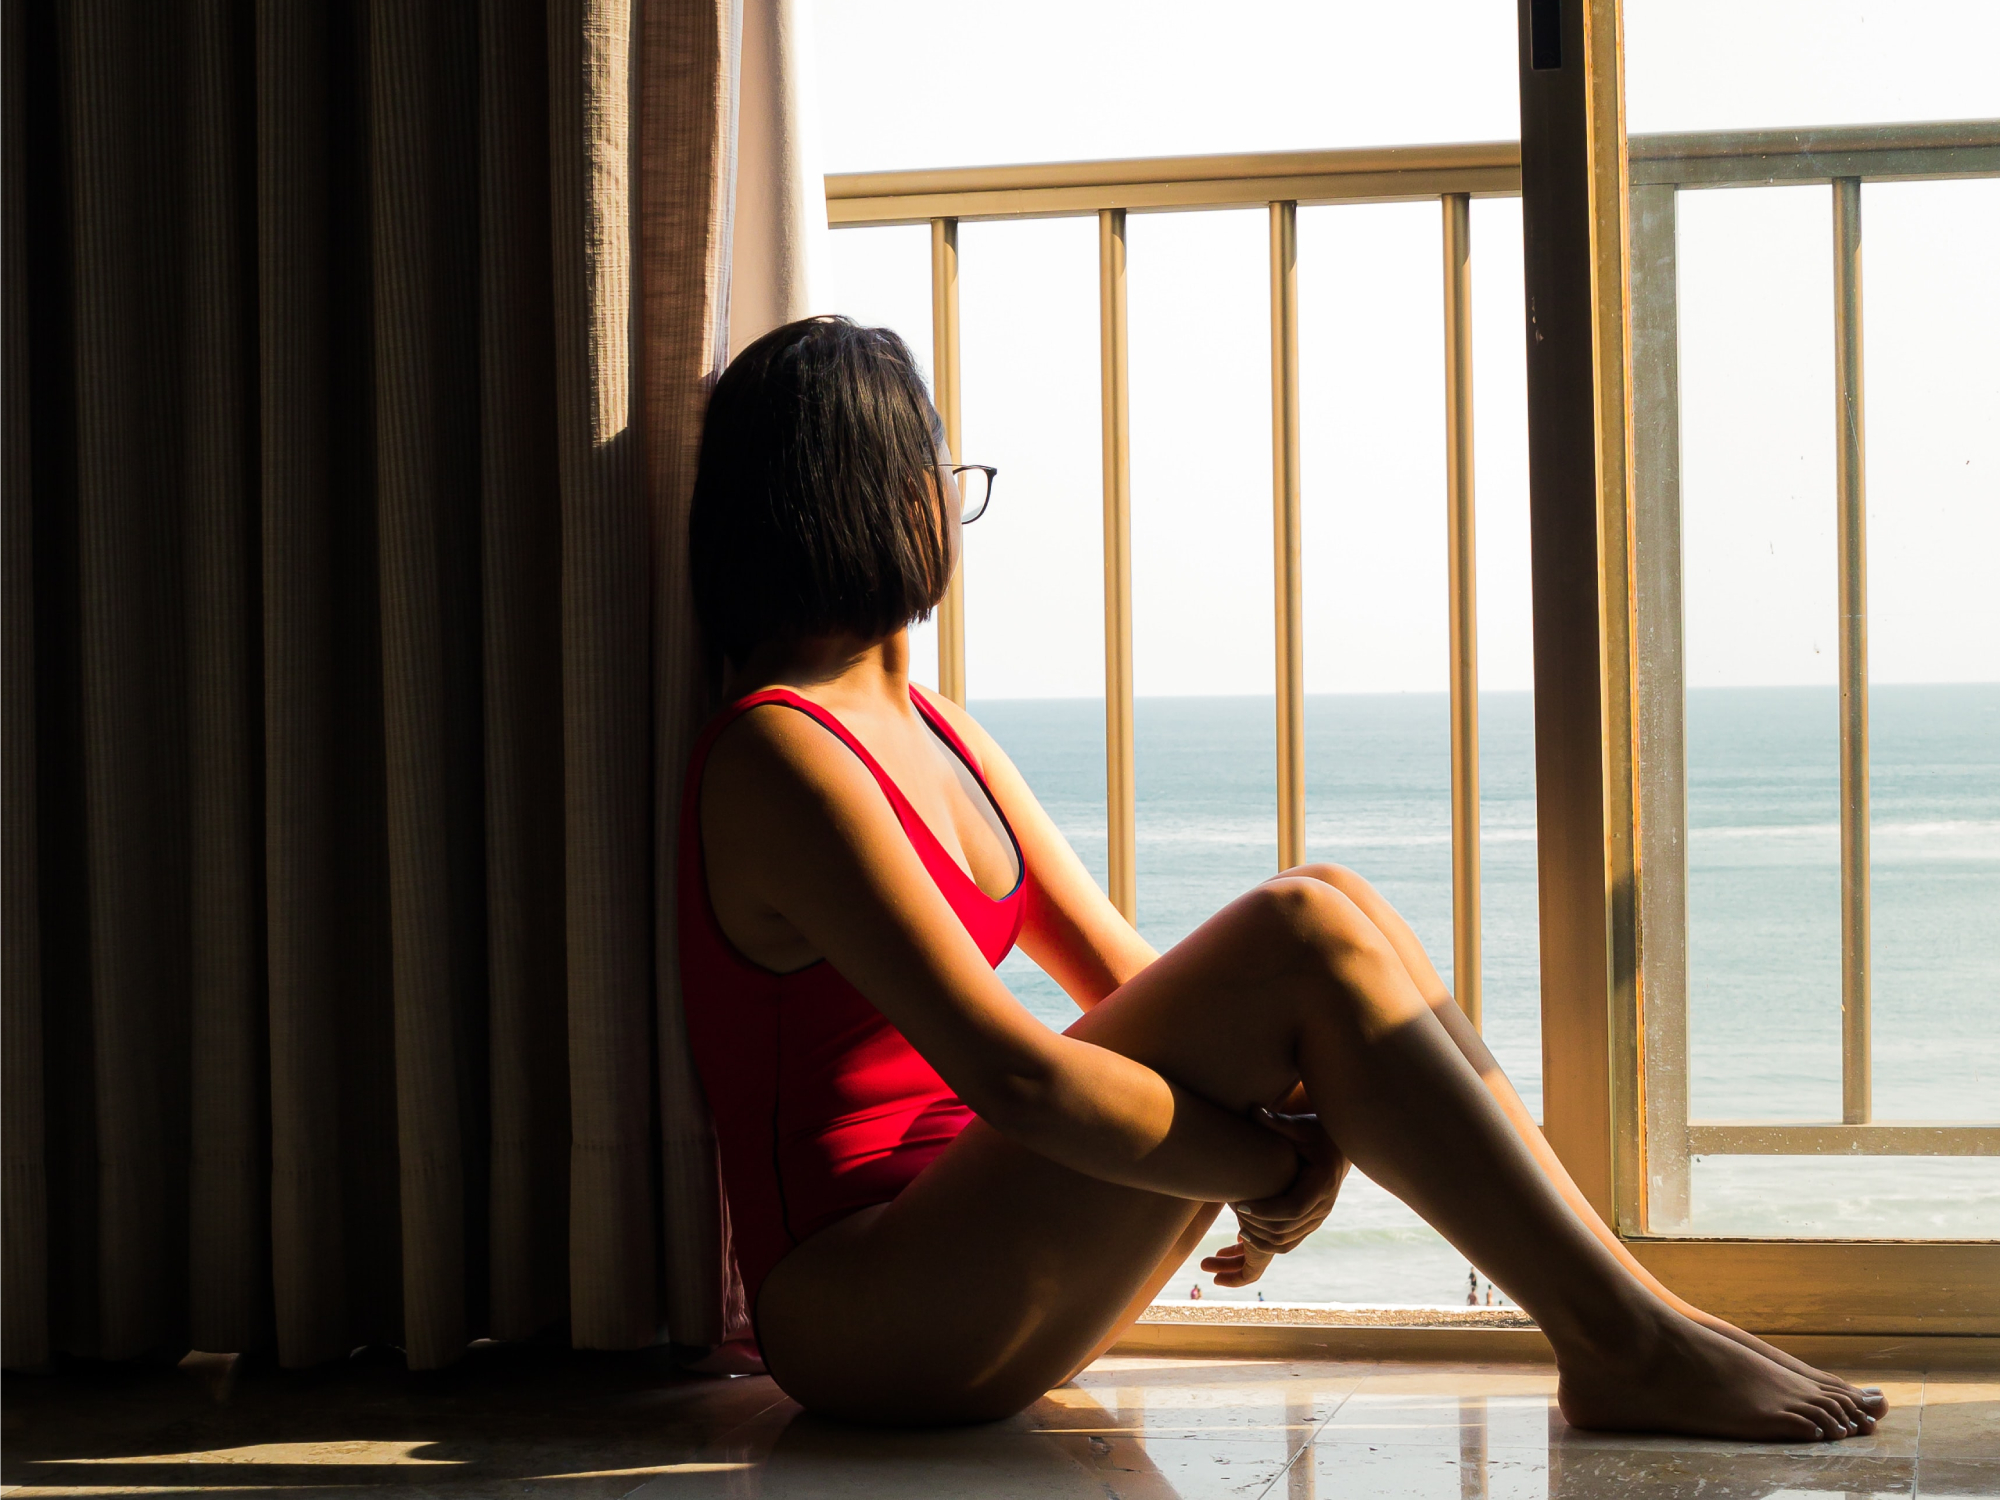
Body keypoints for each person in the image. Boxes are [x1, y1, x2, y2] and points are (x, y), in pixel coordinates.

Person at [678, 315, 1886, 1437]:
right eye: (946, 479)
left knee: (1335, 908)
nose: (953, 508)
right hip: (865, 1315)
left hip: (981, 1266)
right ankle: (1622, 1339)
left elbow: (1134, 982)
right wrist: (1278, 1161)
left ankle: (1635, 1317)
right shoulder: (778, 750)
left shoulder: (938, 733)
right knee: (1302, 926)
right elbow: (1017, 1078)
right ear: (890, 499)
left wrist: (1305, 1112)